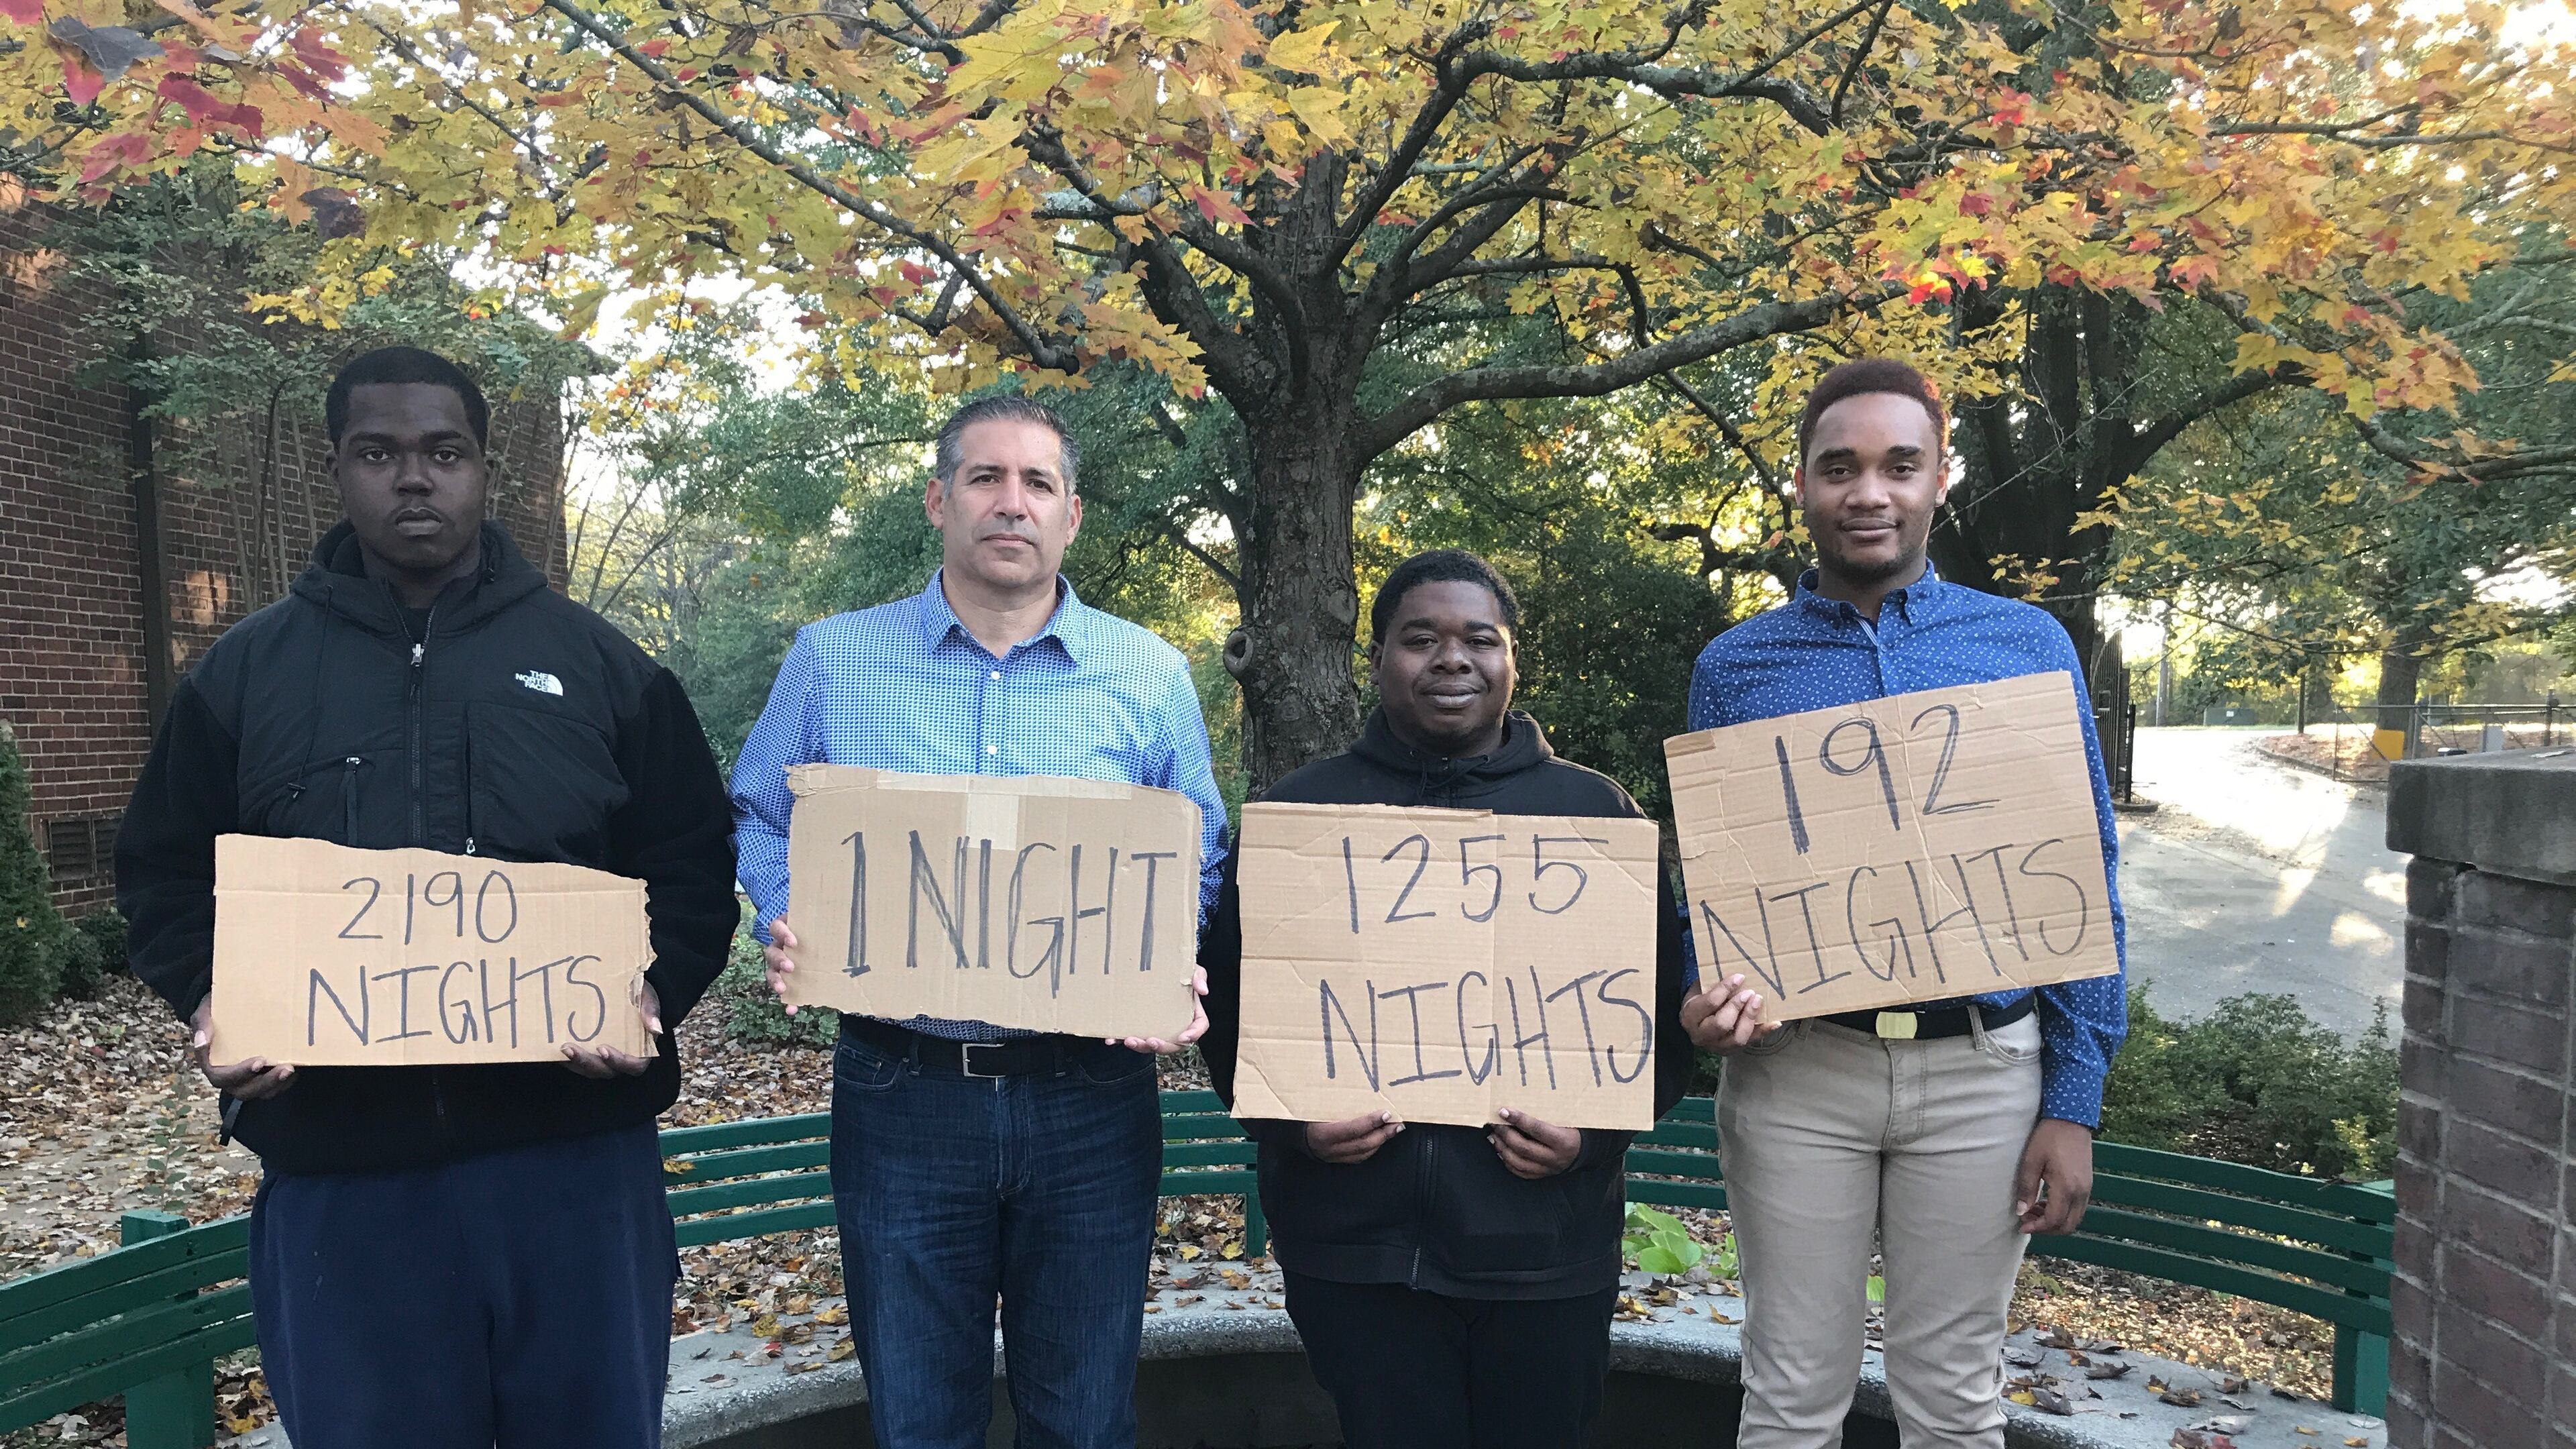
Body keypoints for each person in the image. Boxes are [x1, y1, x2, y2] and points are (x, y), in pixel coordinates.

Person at [115, 346, 741, 1448]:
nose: (415, 478)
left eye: (443, 453)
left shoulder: (601, 667)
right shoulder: (246, 675)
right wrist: (213, 1001)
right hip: (345, 1185)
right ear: (339, 469)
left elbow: (691, 863)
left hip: (575, 1175)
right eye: (381, 453)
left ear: (483, 468)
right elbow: (164, 872)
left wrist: (654, 994)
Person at [729, 394, 1228, 1449]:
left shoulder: (1149, 673)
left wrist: (1161, 956)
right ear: (939, 500)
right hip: (901, 1090)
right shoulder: (833, 660)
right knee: (917, 1419)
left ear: (1073, 515)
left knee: (1085, 1420)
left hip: (1090, 1094)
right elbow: (759, 810)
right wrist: (791, 913)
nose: (1013, 503)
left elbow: (1200, 846)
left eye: (1038, 483)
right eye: (987, 479)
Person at [1681, 357, 2128, 1449]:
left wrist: (2072, 1102)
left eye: (1898, 465)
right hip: (1801, 1076)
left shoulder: (2023, 645)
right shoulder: (1738, 666)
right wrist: (1710, 997)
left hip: (1984, 1075)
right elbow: (1717, 884)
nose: (1867, 491)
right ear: (1802, 485)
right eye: (1840, 468)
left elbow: (2086, 874)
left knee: (1955, 1405)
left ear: (1942, 478)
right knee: (1788, 1400)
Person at [1197, 549, 1695, 1449]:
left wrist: (1591, 1144)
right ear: (1380, 657)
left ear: (1513, 661)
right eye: (1420, 638)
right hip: (1356, 1254)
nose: (1451, 659)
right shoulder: (1301, 817)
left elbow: (1662, 1024)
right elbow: (1233, 1023)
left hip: (1545, 1254)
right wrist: (1292, 1130)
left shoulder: (1599, 818)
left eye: (1479, 639)